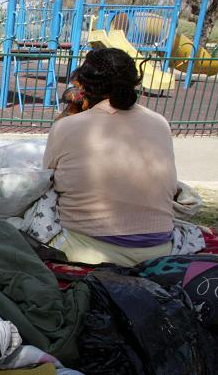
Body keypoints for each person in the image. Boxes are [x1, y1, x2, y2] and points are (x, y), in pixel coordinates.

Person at [43, 48, 177, 267]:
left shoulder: (66, 126)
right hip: (159, 249)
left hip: (88, 248)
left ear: (84, 86)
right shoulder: (160, 122)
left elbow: (47, 177)